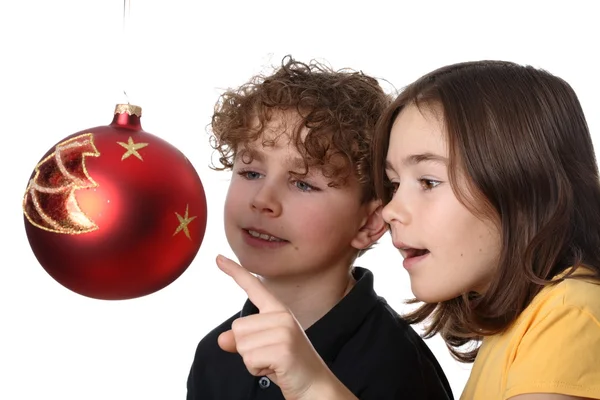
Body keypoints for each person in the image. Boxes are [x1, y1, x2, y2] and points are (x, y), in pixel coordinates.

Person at [186, 56, 453, 400]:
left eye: (303, 184)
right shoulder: (215, 354)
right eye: (251, 173)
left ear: (370, 222)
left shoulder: (398, 366)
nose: (263, 200)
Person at [371, 60, 600, 399]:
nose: (390, 210)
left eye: (428, 181)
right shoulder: (523, 323)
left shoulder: (569, 314)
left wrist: (313, 383)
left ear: (522, 186)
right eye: (394, 184)